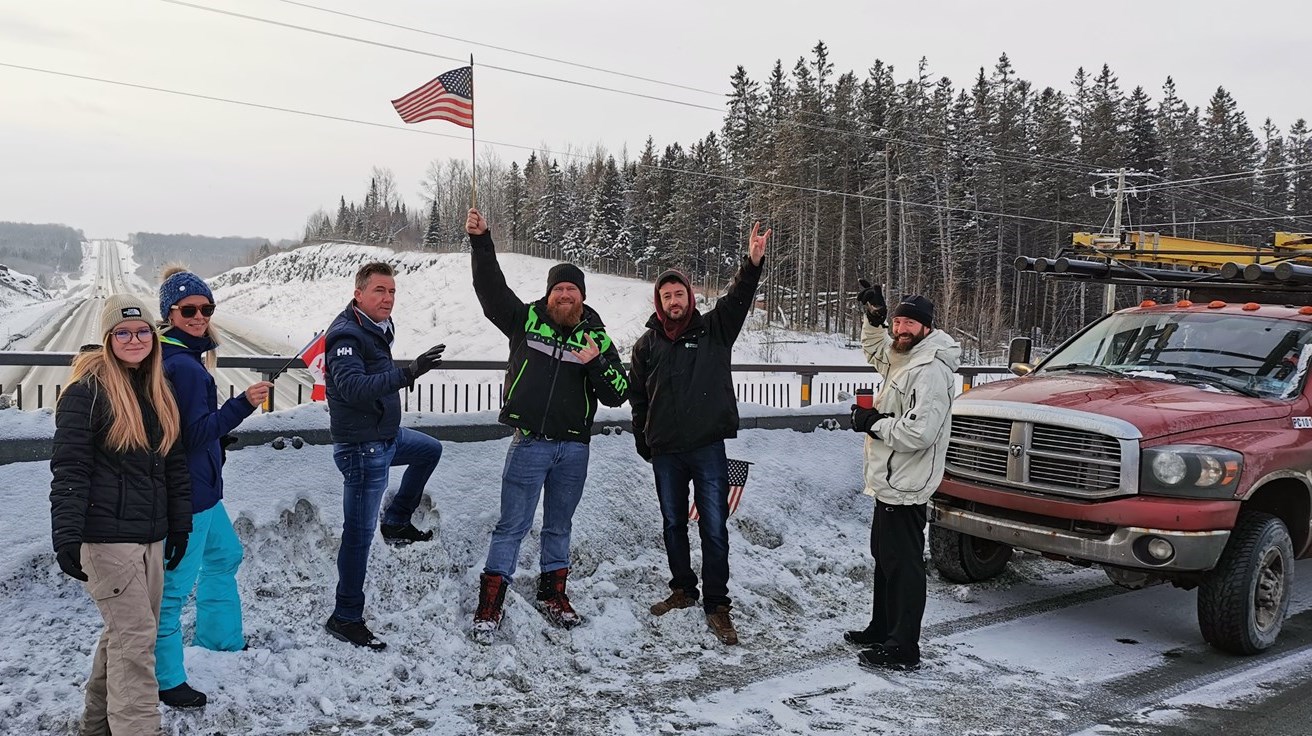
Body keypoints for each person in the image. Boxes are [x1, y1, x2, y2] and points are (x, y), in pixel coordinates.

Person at [465, 207, 629, 641]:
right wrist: (482, 242)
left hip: (574, 448)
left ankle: (552, 594)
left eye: (572, 289)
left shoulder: (596, 336)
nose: (564, 296)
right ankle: (490, 603)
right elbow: (490, 290)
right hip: (530, 443)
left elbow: (618, 392)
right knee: (512, 524)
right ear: (549, 293)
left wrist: (595, 364)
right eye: (558, 288)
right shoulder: (526, 320)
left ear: (582, 296)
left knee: (560, 525)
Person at [50, 293, 192, 736]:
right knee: (135, 649)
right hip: (106, 541)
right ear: (108, 339)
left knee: (123, 642)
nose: (135, 339)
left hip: (148, 537)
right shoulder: (87, 392)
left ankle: (96, 728)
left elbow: (174, 465)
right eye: (123, 332)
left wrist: (180, 525)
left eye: (142, 330)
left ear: (154, 335)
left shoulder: (155, 390)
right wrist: (67, 535)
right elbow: (70, 469)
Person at [628, 222, 771, 646]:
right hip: (667, 452)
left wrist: (753, 263)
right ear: (659, 302)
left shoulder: (715, 329)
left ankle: (717, 603)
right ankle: (683, 588)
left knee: (713, 527)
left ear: (691, 297)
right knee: (673, 523)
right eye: (666, 296)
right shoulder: (646, 345)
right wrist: (643, 437)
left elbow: (740, 298)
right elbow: (637, 397)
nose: (674, 301)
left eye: (680, 294)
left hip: (708, 448)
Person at [154, 267, 273, 709]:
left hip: (203, 487)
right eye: (189, 310)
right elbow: (191, 435)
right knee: (171, 590)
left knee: (224, 555)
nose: (200, 316)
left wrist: (216, 436)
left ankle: (219, 639)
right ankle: (166, 678)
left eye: (206, 308)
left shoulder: (180, 358)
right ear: (170, 314)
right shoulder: (183, 366)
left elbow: (186, 429)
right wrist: (243, 404)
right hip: (189, 493)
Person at [322, 261, 447, 650]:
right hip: (362, 449)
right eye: (379, 291)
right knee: (358, 537)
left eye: (392, 292)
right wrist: (409, 373)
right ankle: (345, 617)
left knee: (429, 449)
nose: (388, 298)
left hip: (385, 437)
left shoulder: (376, 328)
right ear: (359, 294)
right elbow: (355, 387)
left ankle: (395, 521)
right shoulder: (346, 335)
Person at [845, 284, 961, 671]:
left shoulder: (929, 370)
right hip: (890, 478)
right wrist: (873, 321)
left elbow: (918, 433)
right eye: (897, 321)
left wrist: (873, 422)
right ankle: (882, 627)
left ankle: (903, 646)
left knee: (905, 564)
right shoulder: (906, 356)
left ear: (926, 327)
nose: (900, 328)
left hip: (906, 482)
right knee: (885, 557)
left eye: (908, 322)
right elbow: (878, 353)